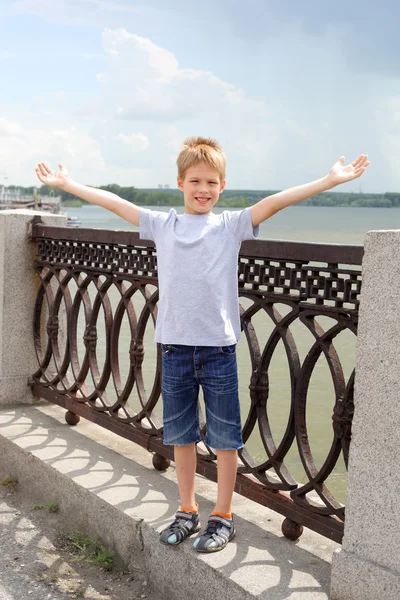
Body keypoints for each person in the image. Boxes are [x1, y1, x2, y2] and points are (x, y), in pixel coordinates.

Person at [35, 137, 369, 553]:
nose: (203, 189)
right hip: (174, 349)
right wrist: (69, 185)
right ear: (180, 183)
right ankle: (188, 510)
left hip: (218, 351)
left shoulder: (230, 226)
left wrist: (329, 181)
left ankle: (223, 515)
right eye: (195, 181)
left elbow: (276, 202)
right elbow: (114, 202)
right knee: (181, 437)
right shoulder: (163, 225)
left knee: (226, 440)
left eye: (211, 182)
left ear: (222, 185)